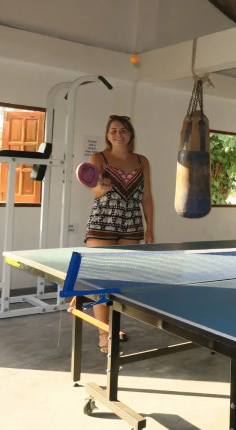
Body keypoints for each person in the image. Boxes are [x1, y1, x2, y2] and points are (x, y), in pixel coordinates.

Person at [85, 115, 154, 354]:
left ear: (130, 134)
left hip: (132, 223)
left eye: (123, 130)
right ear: (107, 135)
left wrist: (150, 228)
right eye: (113, 130)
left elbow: (147, 196)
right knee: (101, 281)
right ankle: (103, 334)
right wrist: (100, 188)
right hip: (103, 222)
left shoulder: (142, 161)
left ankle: (113, 327)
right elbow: (94, 192)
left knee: (118, 282)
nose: (118, 134)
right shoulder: (99, 158)